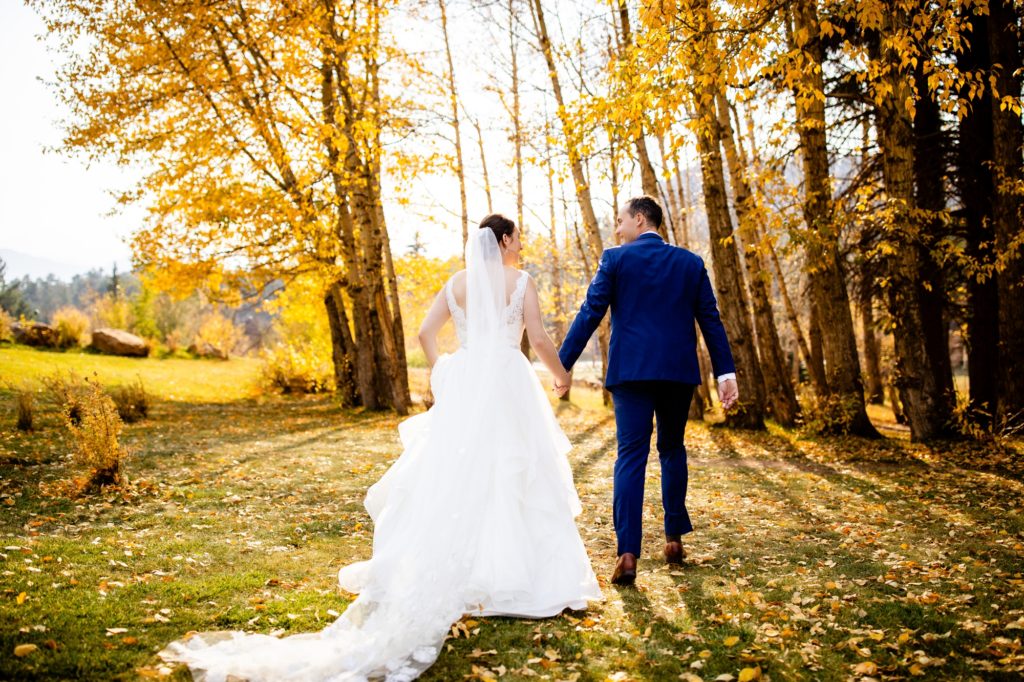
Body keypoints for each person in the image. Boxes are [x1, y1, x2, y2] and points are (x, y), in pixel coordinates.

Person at [158, 215, 602, 681]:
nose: (519, 246)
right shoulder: (521, 281)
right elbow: (539, 336)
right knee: (514, 471)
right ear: (505, 240)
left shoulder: (456, 283)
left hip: (468, 382)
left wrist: (445, 371)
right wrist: (561, 374)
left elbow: (426, 335)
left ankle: (472, 570)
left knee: (455, 474)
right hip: (508, 382)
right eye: (517, 238)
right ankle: (517, 577)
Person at [557, 195, 738, 586]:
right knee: (672, 449)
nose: (617, 228)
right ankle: (673, 540)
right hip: (677, 374)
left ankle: (627, 553)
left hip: (632, 374)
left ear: (640, 220)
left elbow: (591, 311)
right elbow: (711, 319)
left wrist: (563, 363)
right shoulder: (691, 264)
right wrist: (726, 372)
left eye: (621, 220)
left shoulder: (616, 259)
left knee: (631, 457)